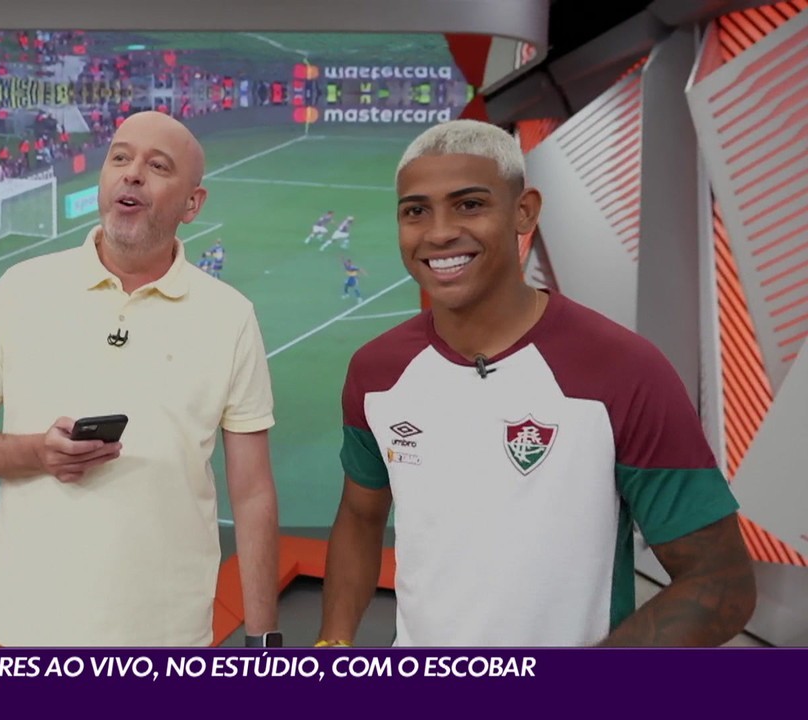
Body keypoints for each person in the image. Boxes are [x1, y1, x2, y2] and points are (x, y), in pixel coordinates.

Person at [318, 119, 756, 648]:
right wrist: (333, 643)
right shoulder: (376, 371)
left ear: (524, 211)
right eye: (416, 211)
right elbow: (361, 517)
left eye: (469, 204)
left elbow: (719, 582)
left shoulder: (624, 370)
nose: (438, 233)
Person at [0, 111, 281, 648]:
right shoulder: (22, 289)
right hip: (22, 633)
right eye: (120, 157)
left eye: (157, 166)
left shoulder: (229, 317)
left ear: (192, 204)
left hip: (167, 640)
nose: (132, 173)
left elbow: (253, 493)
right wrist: (37, 452)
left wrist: (264, 643)